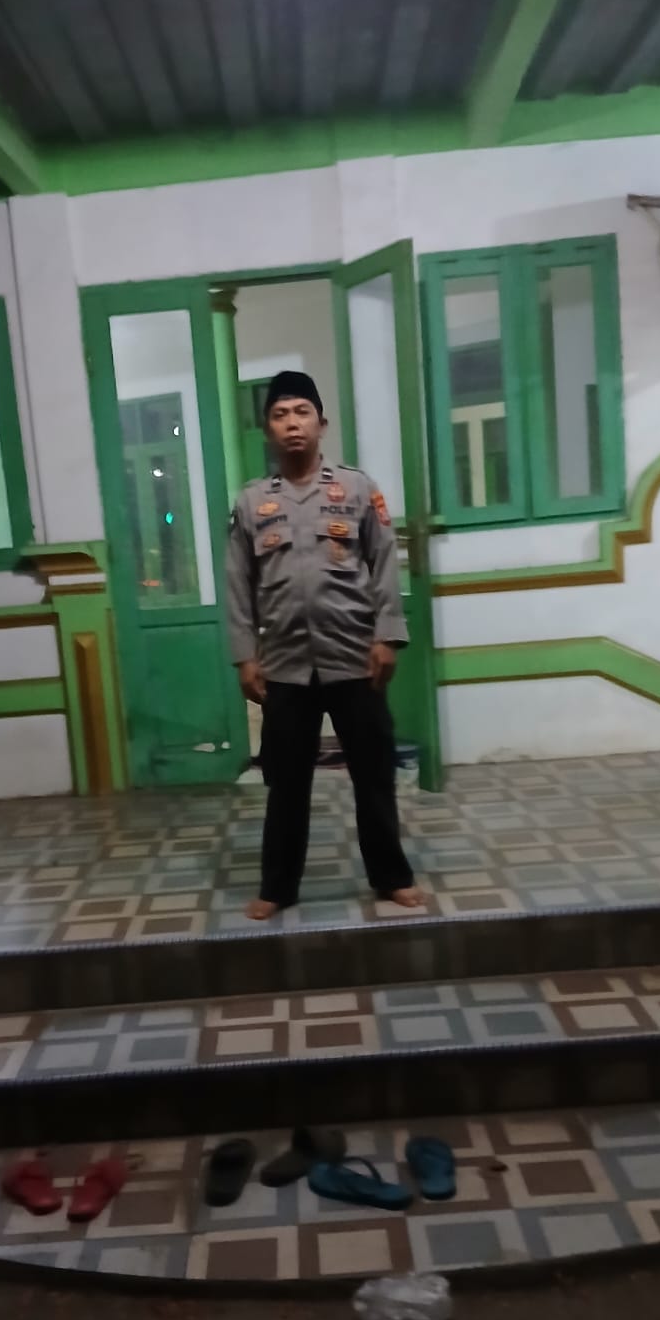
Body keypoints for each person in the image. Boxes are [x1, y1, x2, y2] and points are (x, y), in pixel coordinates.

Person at [225, 370, 423, 922]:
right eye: (280, 414)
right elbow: (238, 584)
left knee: (373, 775)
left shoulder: (357, 490)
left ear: (322, 423)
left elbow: (383, 564)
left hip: (354, 657)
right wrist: (245, 655)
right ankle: (278, 886)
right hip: (286, 665)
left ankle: (392, 877)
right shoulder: (251, 502)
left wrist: (387, 637)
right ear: (267, 428)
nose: (292, 424)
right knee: (285, 783)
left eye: (302, 412)